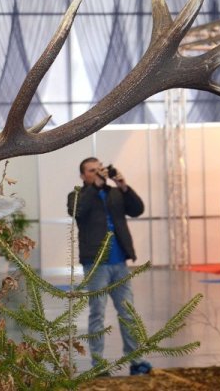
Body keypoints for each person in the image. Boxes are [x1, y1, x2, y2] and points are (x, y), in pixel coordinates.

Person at [67, 157, 152, 376]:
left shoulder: (115, 193)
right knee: (97, 314)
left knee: (128, 313)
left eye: (99, 170)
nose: (97, 173)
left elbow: (137, 209)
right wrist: (94, 187)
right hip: (96, 265)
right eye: (91, 171)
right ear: (82, 175)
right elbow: (77, 211)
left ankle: (137, 361)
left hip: (119, 262)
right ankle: (98, 365)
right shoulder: (77, 195)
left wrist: (123, 186)